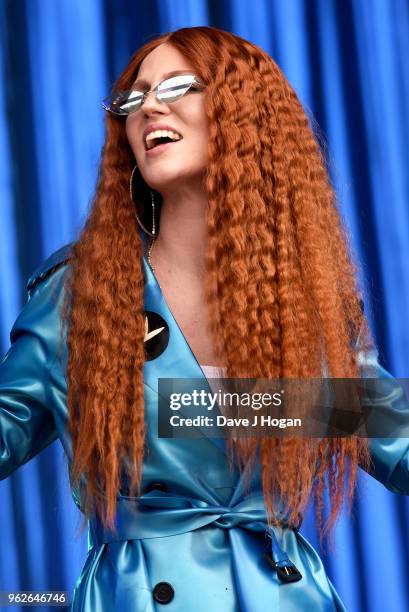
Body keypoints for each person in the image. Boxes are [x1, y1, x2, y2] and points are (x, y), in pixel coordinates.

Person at [0, 25, 408, 612]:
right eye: (133, 98)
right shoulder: (77, 296)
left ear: (246, 114)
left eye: (178, 86)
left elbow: (391, 432)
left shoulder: (306, 303)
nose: (148, 108)